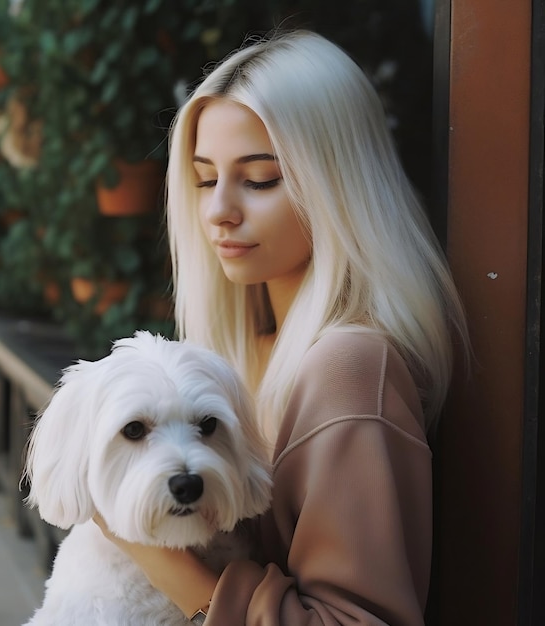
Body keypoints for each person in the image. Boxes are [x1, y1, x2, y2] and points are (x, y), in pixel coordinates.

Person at [95, 29, 469, 625]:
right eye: (203, 179)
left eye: (261, 178)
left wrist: (170, 572)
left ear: (338, 185)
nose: (219, 209)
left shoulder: (348, 369)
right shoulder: (230, 360)